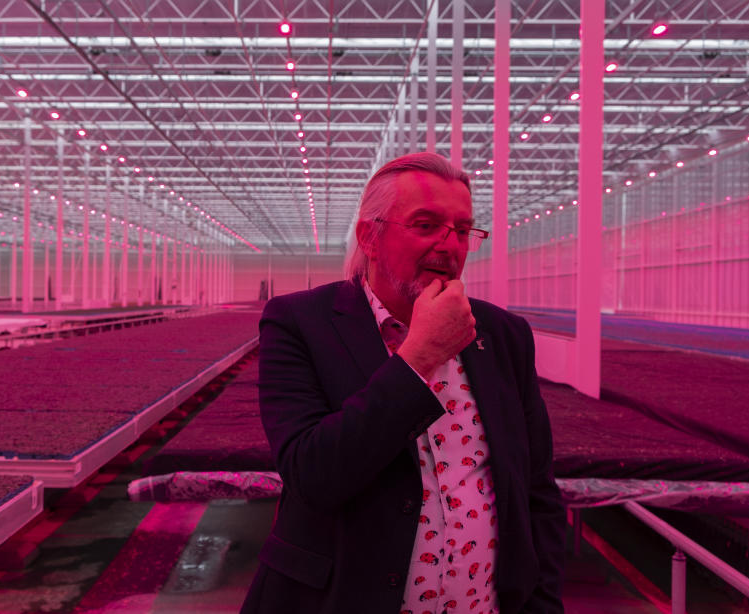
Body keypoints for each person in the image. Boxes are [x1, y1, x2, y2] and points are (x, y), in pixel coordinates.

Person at [241, 152, 565, 614]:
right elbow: (313, 475)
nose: (450, 245)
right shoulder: (300, 323)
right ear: (369, 237)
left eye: (462, 229)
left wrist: (544, 603)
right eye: (426, 225)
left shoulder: (503, 335)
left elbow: (536, 492)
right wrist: (420, 357)